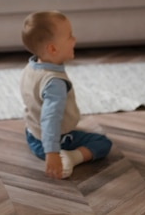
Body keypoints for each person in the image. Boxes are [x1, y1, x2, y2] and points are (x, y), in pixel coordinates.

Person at [20, 10, 112, 180]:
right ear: (53, 48)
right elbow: (50, 119)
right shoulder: (55, 83)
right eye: (70, 36)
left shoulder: (32, 65)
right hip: (50, 143)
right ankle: (70, 156)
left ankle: (52, 147)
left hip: (32, 134)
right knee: (103, 143)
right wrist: (52, 153)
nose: (74, 39)